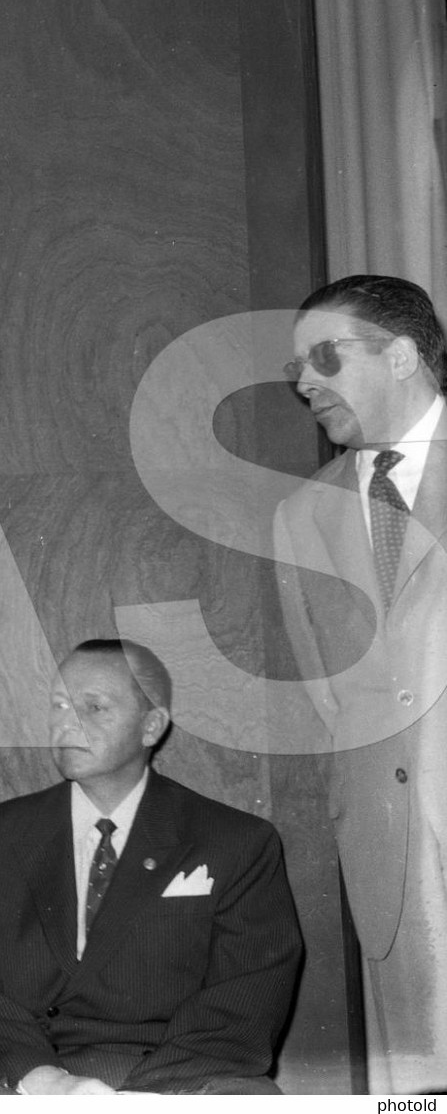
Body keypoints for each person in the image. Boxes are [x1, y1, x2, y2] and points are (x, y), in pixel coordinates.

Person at [0, 640, 302, 1095]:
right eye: (59, 705)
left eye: (94, 707)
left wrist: (141, 1097)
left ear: (151, 726)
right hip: (34, 1076)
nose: (68, 723)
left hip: (187, 1076)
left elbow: (248, 996)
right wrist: (46, 1081)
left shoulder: (234, 841)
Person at [274, 274, 447, 1093]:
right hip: (391, 861)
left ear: (403, 354)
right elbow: (329, 700)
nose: (303, 380)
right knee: (415, 1098)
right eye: (295, 368)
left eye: (324, 355)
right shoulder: (299, 518)